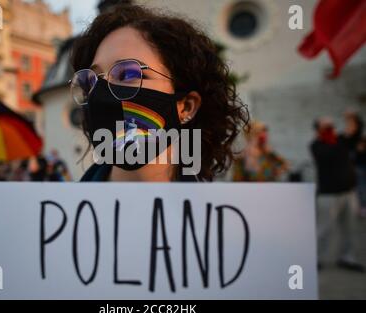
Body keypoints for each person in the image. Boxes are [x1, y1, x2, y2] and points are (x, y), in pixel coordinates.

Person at [70, 5, 248, 182]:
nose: (101, 91)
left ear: (186, 106)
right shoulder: (60, 208)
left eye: (128, 74)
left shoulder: (211, 209)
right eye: (91, 80)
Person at [310, 117, 364, 272]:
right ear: (318, 129)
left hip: (349, 192)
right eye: (326, 126)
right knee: (323, 228)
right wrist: (340, 137)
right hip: (329, 195)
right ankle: (315, 258)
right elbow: (328, 156)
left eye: (331, 125)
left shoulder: (341, 141)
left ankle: (348, 257)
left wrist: (354, 121)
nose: (330, 128)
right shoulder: (316, 145)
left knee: (350, 228)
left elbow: (356, 134)